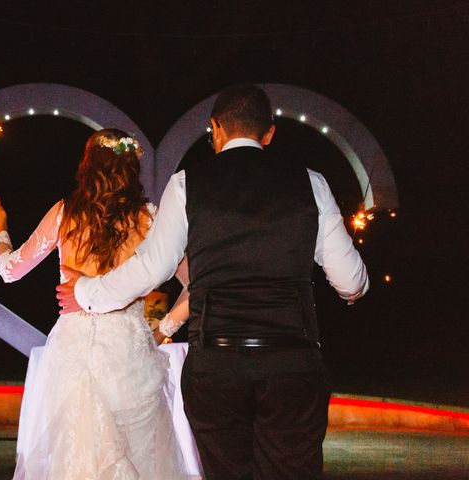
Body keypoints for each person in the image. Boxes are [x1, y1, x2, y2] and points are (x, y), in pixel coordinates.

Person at [57, 84, 369, 479]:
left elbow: (150, 268)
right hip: (292, 361)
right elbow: (350, 282)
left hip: (217, 365)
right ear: (268, 133)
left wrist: (86, 292)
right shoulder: (311, 183)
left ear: (215, 129)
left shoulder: (187, 184)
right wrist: (356, 289)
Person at [0, 128, 189, 479]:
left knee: (77, 456)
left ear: (87, 165)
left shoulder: (65, 214)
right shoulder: (149, 218)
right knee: (140, 453)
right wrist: (162, 331)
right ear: (131, 169)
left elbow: (10, 270)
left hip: (74, 349)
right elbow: (196, 285)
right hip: (130, 350)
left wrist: (0, 226)